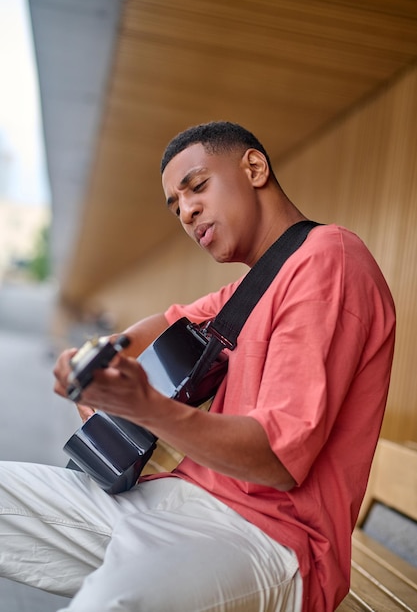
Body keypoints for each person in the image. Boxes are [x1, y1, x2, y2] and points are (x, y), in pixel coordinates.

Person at [0, 122, 395, 612]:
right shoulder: (252, 287)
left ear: (253, 167)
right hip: (177, 501)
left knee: (108, 603)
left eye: (198, 187)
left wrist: (146, 407)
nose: (187, 212)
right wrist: (96, 358)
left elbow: (276, 460)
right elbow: (159, 327)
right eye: (176, 206)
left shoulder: (327, 261)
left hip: (272, 541)